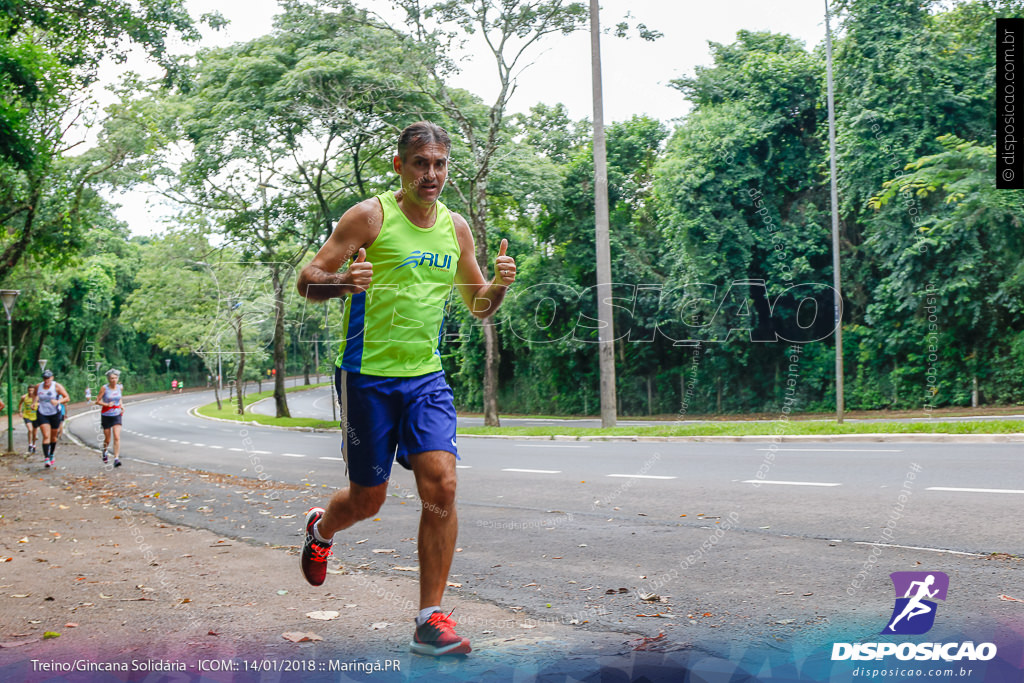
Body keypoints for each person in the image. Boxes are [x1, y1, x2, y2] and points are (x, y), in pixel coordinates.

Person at [296, 121, 517, 657]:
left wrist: (498, 287)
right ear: (400, 166)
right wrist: (343, 282)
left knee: (441, 484)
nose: (432, 174)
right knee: (367, 502)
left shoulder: (456, 228)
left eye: (440, 164)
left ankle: (428, 618)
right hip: (366, 375)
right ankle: (322, 529)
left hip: (425, 378)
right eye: (421, 163)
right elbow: (307, 281)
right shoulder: (369, 217)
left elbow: (477, 305)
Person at [33, 370, 69, 468]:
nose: (46, 380)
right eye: (45, 378)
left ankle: (52, 453)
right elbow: (35, 395)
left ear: (52, 378)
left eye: (48, 378)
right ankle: (46, 458)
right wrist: (34, 403)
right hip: (42, 413)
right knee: (46, 435)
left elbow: (67, 398)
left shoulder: (57, 386)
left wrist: (58, 401)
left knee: (53, 437)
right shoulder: (38, 386)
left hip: (54, 414)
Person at [96, 368, 124, 467]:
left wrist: (121, 406)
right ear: (108, 379)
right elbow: (97, 401)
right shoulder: (104, 388)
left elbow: (119, 398)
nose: (114, 380)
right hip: (106, 415)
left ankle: (116, 458)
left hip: (116, 414)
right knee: (107, 439)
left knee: (116, 436)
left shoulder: (120, 387)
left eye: (115, 378)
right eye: (112, 378)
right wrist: (107, 404)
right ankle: (105, 451)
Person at [19, 384, 38, 454]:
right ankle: (30, 444)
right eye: (29, 390)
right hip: (27, 415)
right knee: (30, 430)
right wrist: (20, 411)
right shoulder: (24, 397)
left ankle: (34, 444)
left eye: (32, 391)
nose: (30, 392)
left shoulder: (37, 398)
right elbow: (20, 404)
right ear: (27, 390)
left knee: (35, 432)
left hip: (35, 416)